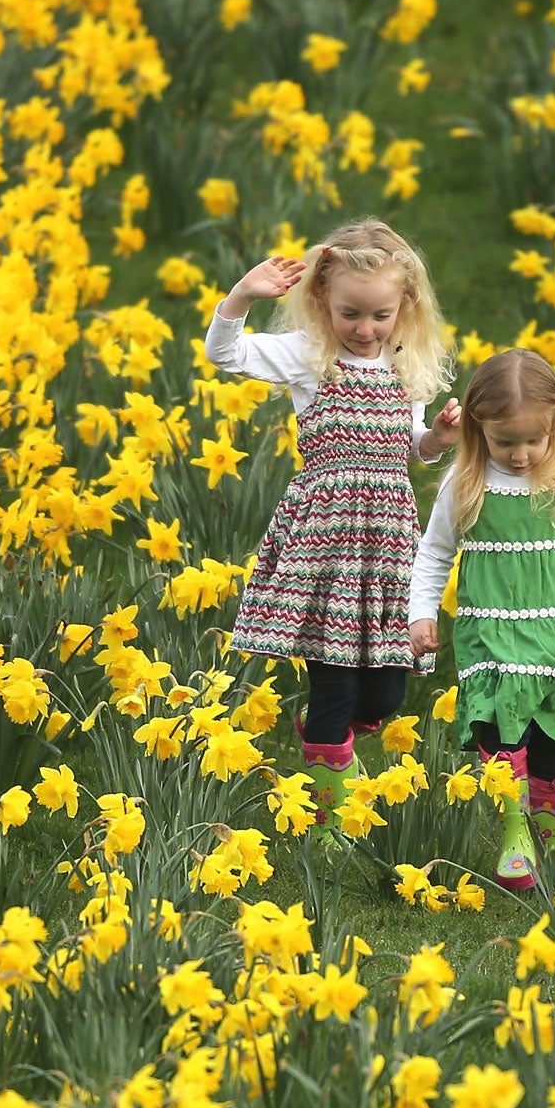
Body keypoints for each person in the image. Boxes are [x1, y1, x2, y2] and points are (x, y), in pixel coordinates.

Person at [205, 218, 460, 831]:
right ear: (323, 302)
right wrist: (241, 295)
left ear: (405, 308)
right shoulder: (310, 355)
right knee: (334, 685)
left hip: (389, 539)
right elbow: (226, 354)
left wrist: (440, 439)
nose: (365, 329)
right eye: (351, 315)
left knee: (384, 696)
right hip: (327, 538)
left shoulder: (404, 365)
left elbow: (412, 446)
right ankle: (329, 820)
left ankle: (328, 739)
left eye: (380, 316)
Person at [407, 347, 555, 890]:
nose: (523, 454)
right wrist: (421, 613)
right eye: (506, 442)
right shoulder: (466, 481)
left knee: (551, 739)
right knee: (498, 729)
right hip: (490, 630)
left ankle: (544, 835)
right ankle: (514, 832)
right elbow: (434, 553)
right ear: (479, 430)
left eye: (535, 440)